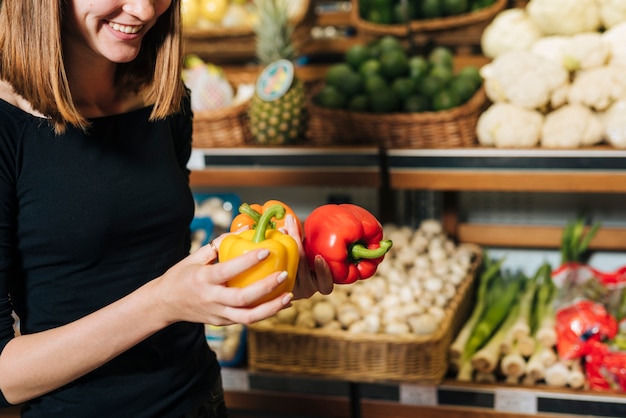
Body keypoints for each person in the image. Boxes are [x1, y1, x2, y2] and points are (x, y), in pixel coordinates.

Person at [0, 0, 334, 416]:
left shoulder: (165, 100)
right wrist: (162, 303)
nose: (143, 10)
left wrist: (265, 274)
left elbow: (158, 261)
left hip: (199, 400)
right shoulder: (7, 126)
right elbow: (5, 379)